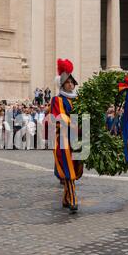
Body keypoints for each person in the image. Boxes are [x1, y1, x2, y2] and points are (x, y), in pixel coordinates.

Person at [49, 59, 83, 213]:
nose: (70, 85)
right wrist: (75, 124)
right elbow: (60, 116)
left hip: (79, 138)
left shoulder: (80, 100)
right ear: (62, 84)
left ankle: (65, 198)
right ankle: (73, 199)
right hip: (64, 139)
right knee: (69, 170)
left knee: (76, 170)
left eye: (72, 82)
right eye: (68, 82)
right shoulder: (57, 100)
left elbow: (85, 116)